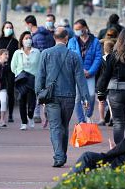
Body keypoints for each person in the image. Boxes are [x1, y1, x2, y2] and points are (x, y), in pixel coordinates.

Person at [36, 28, 90, 167]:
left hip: (51, 97)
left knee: (55, 127)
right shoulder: (74, 56)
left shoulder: (45, 54)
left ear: (55, 38)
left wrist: (39, 95)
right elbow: (80, 79)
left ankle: (59, 156)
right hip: (69, 97)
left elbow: (40, 76)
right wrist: (85, 98)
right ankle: (62, 154)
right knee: (64, 126)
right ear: (66, 38)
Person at [67, 19, 102, 123]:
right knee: (77, 98)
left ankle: (88, 114)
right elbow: (69, 56)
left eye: (79, 29)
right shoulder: (72, 41)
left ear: (85, 28)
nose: (77, 31)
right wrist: (78, 70)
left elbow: (98, 57)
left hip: (89, 73)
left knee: (91, 95)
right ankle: (81, 120)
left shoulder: (95, 41)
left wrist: (90, 71)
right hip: (77, 73)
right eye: (75, 29)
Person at [25, 15, 53, 123]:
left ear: (30, 24)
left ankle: (38, 114)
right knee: (43, 90)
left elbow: (42, 51)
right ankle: (43, 114)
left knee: (39, 90)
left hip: (41, 67)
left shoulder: (38, 36)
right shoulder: (42, 34)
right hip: (45, 66)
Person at [0, 22, 20, 122]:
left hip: (11, 70)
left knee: (10, 92)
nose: (8, 29)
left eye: (10, 27)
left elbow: (18, 56)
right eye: (7, 27)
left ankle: (10, 114)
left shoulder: (15, 42)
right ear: (3, 29)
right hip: (0, 71)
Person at [11, 31, 41, 130]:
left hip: (32, 79)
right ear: (22, 40)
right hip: (21, 79)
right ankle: (24, 122)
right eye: (26, 38)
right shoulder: (17, 52)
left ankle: (31, 116)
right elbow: (13, 66)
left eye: (29, 38)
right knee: (21, 100)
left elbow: (40, 66)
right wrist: (18, 74)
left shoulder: (36, 52)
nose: (28, 40)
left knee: (32, 101)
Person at [96, 39, 116, 126]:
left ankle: (102, 119)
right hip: (111, 83)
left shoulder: (100, 60)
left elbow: (97, 72)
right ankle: (112, 117)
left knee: (101, 101)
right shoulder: (115, 59)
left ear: (104, 49)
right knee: (111, 101)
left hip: (101, 83)